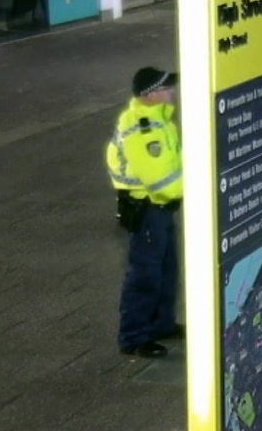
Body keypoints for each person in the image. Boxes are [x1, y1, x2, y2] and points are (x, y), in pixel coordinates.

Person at [105, 67, 184, 359]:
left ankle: (161, 324)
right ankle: (133, 336)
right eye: (166, 88)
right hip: (148, 208)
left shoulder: (161, 120)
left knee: (166, 269)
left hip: (161, 209)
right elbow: (159, 179)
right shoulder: (142, 128)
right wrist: (195, 190)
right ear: (150, 95)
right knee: (145, 274)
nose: (172, 92)